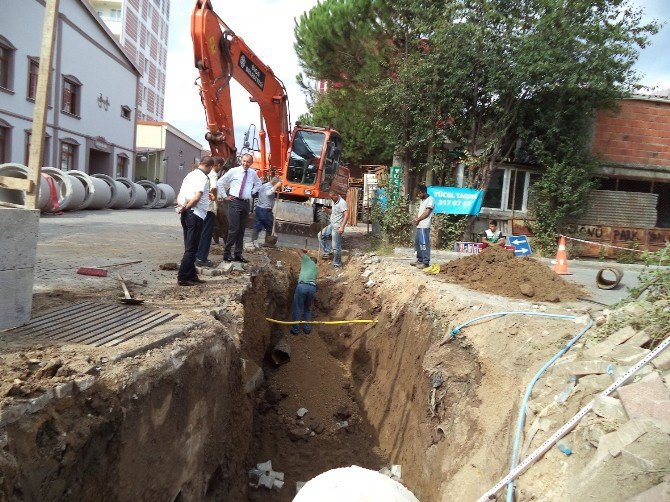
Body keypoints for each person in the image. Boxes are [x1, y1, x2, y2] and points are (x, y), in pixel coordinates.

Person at [175, 156, 214, 286]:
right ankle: (183, 277)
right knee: (192, 249)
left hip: (186, 214)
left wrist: (183, 207)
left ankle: (191, 275)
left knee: (190, 247)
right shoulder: (203, 177)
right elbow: (196, 197)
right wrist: (187, 207)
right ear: (209, 166)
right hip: (195, 214)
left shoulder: (190, 175)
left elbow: (181, 194)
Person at [217, 153, 262, 263]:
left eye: (248, 162)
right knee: (234, 229)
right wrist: (224, 196)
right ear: (241, 160)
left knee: (242, 230)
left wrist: (252, 192)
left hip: (245, 203)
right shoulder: (234, 171)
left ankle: (238, 254)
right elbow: (220, 182)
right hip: (235, 202)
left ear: (251, 163)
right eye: (244, 161)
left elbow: (259, 184)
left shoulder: (252, 173)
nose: (246, 164)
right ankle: (227, 253)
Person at [195, 156, 224, 267]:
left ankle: (196, 256)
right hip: (209, 209)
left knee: (200, 233)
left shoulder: (201, 174)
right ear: (218, 165)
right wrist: (215, 198)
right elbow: (214, 188)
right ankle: (202, 258)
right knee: (206, 234)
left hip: (202, 208)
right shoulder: (213, 175)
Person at [291, 248, 318, 335]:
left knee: (298, 307)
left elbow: (298, 250)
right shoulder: (315, 269)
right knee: (307, 308)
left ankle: (295, 329)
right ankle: (307, 329)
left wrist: (304, 251)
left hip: (303, 286)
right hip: (312, 288)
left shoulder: (307, 260)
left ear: (310, 259)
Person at [320, 192, 348, 268]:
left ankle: (337, 263)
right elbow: (334, 212)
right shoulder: (334, 201)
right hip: (332, 224)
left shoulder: (342, 203)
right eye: (330, 197)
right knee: (321, 235)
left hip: (338, 227)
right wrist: (327, 210)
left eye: (332, 197)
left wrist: (342, 227)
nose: (331, 199)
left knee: (336, 246)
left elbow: (346, 215)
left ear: (336, 195)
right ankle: (328, 251)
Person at [252, 176, 282, 246]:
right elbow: (268, 193)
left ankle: (253, 241)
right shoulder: (269, 187)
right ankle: (269, 243)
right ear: (275, 183)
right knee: (269, 226)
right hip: (265, 210)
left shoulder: (264, 185)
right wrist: (276, 186)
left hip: (259, 208)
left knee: (258, 224)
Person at [411, 184, 435, 270]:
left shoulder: (430, 200)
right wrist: (416, 218)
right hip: (420, 225)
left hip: (424, 225)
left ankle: (426, 262)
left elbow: (427, 213)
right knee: (418, 244)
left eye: (419, 193)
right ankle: (420, 260)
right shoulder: (422, 200)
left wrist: (418, 219)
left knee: (424, 244)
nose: (418, 195)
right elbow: (421, 212)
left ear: (424, 192)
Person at [212, 159, 230, 245]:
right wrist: (218, 198)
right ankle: (221, 242)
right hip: (218, 203)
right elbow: (214, 188)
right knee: (222, 223)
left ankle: (218, 241)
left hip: (219, 203)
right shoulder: (214, 176)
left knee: (218, 224)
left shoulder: (218, 175)